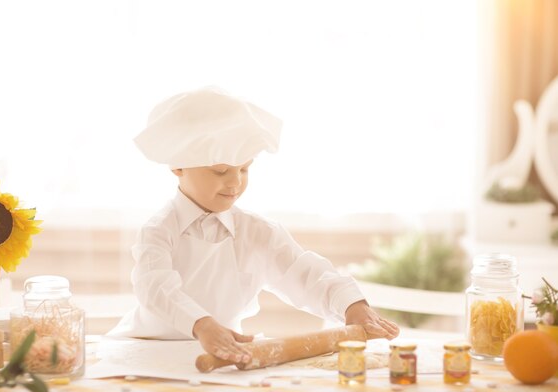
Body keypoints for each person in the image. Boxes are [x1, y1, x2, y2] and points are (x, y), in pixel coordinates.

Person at [109, 86, 399, 364]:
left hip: (224, 353)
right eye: (220, 170)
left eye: (244, 169)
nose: (235, 182)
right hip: (145, 355)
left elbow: (304, 272)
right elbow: (156, 289)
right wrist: (202, 325)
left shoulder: (257, 232)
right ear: (178, 166)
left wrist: (352, 305)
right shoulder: (158, 230)